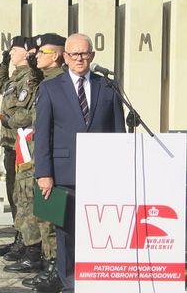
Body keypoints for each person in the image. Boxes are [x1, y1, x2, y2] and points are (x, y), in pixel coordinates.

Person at [34, 33, 126, 292]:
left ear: (92, 56)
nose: (79, 58)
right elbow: (42, 134)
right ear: (65, 57)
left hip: (101, 174)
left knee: (98, 230)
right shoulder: (50, 88)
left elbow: (118, 131)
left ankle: (96, 281)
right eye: (74, 54)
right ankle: (69, 284)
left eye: (84, 53)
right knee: (67, 234)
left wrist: (120, 172)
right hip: (64, 174)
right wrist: (44, 172)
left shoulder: (107, 86)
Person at [18, 33, 66, 293]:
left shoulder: (60, 82)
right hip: (41, 158)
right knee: (45, 215)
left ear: (56, 55)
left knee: (52, 220)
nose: (36, 56)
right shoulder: (45, 81)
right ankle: (51, 266)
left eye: (42, 52)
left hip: (53, 161)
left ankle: (56, 269)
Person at [1, 36, 45, 274]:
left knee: (26, 198)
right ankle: (25, 243)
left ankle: (31, 249)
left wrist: (11, 120)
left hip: (26, 144)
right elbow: (1, 88)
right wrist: (2, 63)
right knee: (17, 196)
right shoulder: (17, 77)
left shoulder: (32, 78)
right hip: (13, 143)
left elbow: (27, 112)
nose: (10, 53)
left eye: (13, 50)